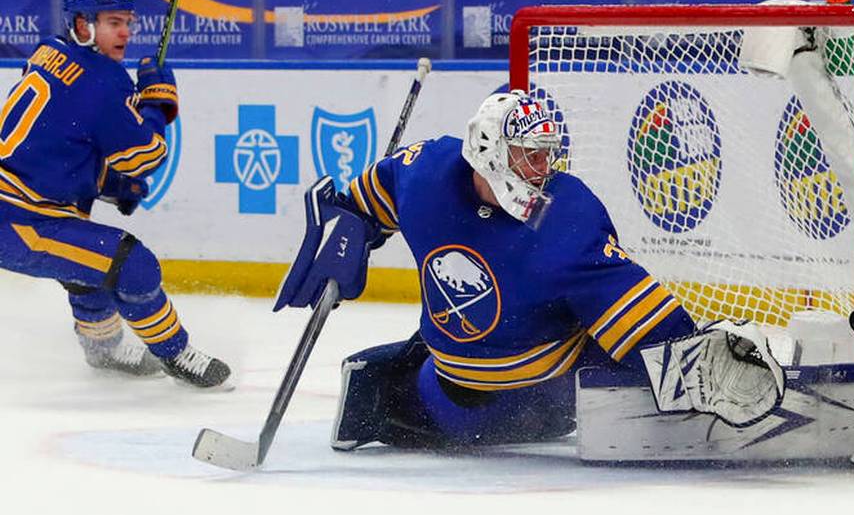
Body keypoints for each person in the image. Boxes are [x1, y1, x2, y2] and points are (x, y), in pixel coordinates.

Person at [273, 91, 784, 450]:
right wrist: (346, 230)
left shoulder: (433, 169)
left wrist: (350, 219)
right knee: (398, 382)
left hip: (471, 388)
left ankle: (388, 389)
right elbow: (366, 201)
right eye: (527, 155)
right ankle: (391, 390)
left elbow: (370, 192)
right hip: (518, 407)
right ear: (487, 151)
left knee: (384, 379)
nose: (541, 169)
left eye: (545, 155)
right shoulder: (542, 209)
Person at [0, 0, 230, 388]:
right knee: (132, 264)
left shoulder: (49, 50)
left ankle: (102, 349)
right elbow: (146, 155)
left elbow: (61, 138)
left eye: (127, 20)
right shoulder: (104, 82)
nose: (125, 31)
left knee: (87, 266)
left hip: (21, 207)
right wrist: (157, 103)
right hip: (23, 222)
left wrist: (109, 184)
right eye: (112, 22)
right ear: (84, 25)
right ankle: (177, 355)